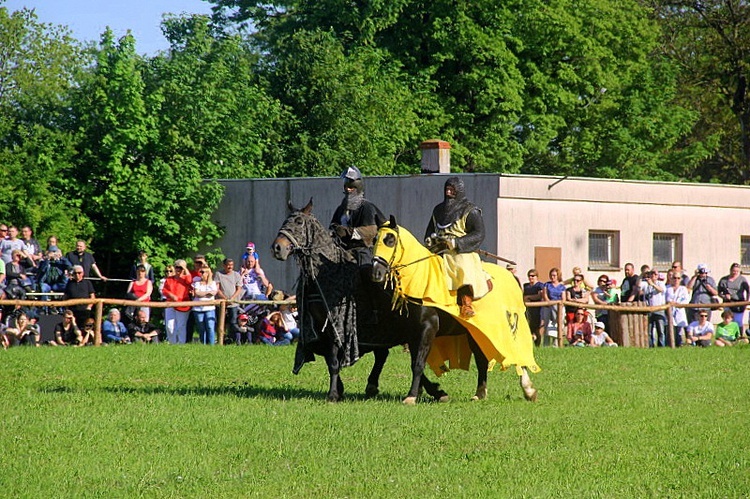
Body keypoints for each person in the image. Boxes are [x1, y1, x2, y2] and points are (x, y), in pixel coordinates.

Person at [424, 176, 488, 318]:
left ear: (459, 191)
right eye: (446, 189)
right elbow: (430, 229)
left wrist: (457, 243)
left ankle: (466, 304)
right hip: (439, 250)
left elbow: (479, 233)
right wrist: (429, 240)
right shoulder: (438, 210)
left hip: (460, 251)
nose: (448, 193)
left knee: (461, 264)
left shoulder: (470, 210)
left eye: (452, 190)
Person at [330, 165, 385, 269]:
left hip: (363, 249)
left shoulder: (366, 207)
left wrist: (349, 232)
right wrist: (334, 231)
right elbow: (333, 226)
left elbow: (371, 231)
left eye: (350, 187)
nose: (347, 189)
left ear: (357, 187)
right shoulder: (341, 208)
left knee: (365, 271)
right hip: (342, 250)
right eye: (346, 187)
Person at [162, 259, 193, 344]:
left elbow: (190, 281)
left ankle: (181, 344)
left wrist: (185, 268)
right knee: (169, 326)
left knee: (181, 326)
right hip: (170, 304)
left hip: (182, 305)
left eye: (180, 268)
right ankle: (172, 343)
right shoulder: (169, 279)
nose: (178, 269)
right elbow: (164, 290)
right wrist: (171, 295)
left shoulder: (186, 278)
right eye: (177, 267)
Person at [215, 258, 244, 331]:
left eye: (231, 265)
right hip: (221, 302)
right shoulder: (218, 274)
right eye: (228, 265)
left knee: (233, 322)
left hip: (233, 303)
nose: (230, 267)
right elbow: (217, 288)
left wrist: (232, 299)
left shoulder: (236, 275)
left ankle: (232, 338)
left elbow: (239, 289)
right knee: (221, 322)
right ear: (224, 266)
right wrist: (225, 299)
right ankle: (221, 339)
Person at [192, 265, 218, 345]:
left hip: (210, 308)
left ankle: (211, 344)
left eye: (203, 272)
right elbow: (197, 293)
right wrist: (207, 293)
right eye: (201, 272)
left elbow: (213, 293)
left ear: (208, 273)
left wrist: (203, 293)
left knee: (210, 327)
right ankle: (203, 344)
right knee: (201, 328)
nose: (201, 274)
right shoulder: (197, 283)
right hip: (198, 309)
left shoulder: (212, 283)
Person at [717, 263, 748, 328]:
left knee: (738, 322)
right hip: (727, 303)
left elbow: (748, 291)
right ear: (730, 270)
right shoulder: (724, 280)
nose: (735, 273)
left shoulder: (742, 279)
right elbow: (718, 292)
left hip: (739, 303)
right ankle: (727, 336)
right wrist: (724, 296)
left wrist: (746, 302)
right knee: (727, 321)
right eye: (734, 271)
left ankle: (739, 336)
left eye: (737, 271)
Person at [541, 267, 566, 344]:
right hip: (548, 306)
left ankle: (556, 343)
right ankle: (546, 344)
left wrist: (558, 304)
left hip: (558, 307)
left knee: (557, 325)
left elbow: (563, 298)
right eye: (551, 275)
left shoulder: (562, 287)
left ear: (558, 276)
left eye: (554, 275)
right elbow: (545, 295)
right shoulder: (547, 285)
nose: (552, 277)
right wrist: (549, 303)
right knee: (547, 325)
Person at [642, 270, 667, 347]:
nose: (653, 275)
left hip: (659, 309)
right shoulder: (646, 285)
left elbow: (661, 290)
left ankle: (661, 346)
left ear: (657, 276)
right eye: (651, 274)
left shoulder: (661, 283)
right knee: (649, 331)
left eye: (655, 274)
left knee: (660, 331)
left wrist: (652, 284)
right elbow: (640, 287)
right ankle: (651, 346)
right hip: (649, 309)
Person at [665, 272, 690, 346]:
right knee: (669, 330)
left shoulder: (683, 289)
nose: (676, 280)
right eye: (674, 278)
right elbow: (664, 299)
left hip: (680, 311)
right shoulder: (667, 288)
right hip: (669, 312)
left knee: (679, 331)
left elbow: (686, 300)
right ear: (671, 278)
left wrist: (676, 304)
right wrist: (669, 303)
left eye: (678, 278)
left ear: (681, 279)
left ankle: (680, 345)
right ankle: (669, 345)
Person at [523, 269, 544, 344]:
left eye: (533, 276)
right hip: (528, 309)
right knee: (528, 327)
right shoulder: (526, 286)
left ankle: (537, 344)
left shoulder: (540, 285)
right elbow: (523, 295)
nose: (531, 277)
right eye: (529, 276)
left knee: (536, 328)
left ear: (536, 276)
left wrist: (529, 297)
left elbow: (539, 296)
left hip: (537, 309)